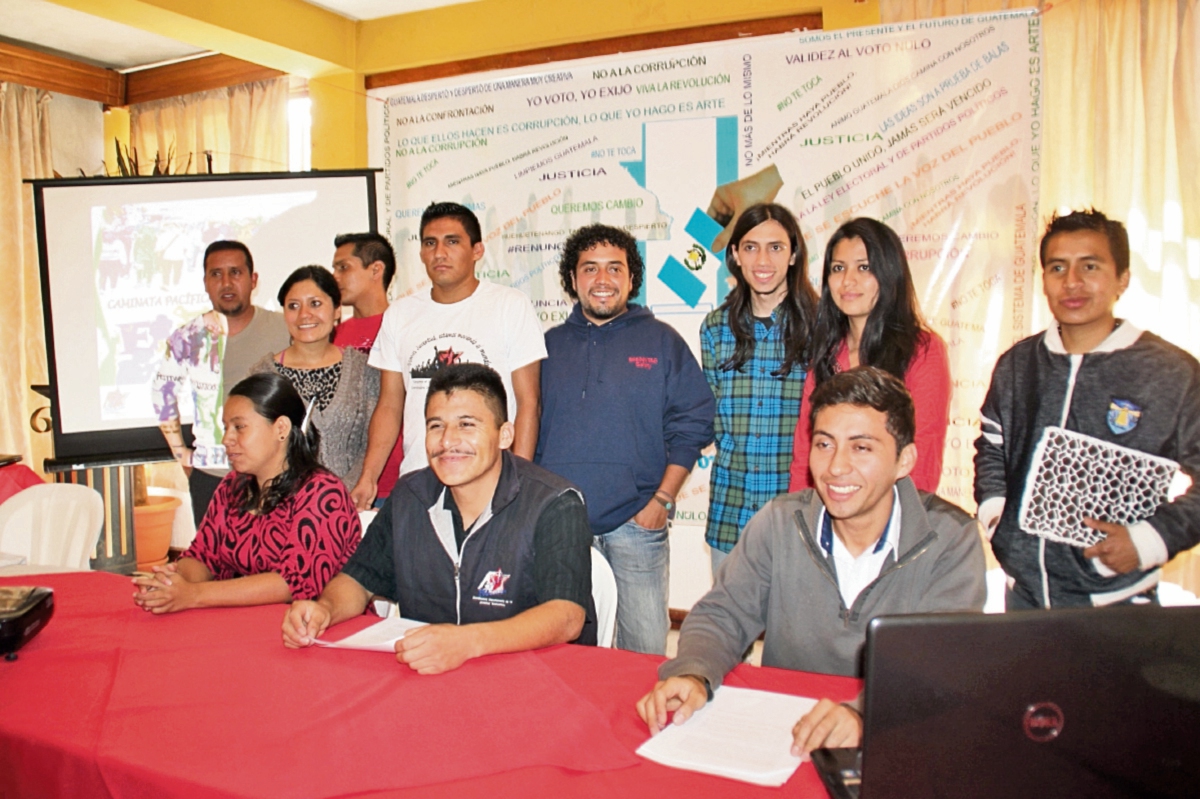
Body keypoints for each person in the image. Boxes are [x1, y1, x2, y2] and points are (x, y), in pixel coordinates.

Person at [637, 367, 986, 757]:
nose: (836, 467)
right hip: (783, 739)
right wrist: (693, 671)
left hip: (896, 738)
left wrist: (862, 717)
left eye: (862, 447)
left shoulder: (951, 539)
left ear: (904, 460)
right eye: (824, 444)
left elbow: (938, 663)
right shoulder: (781, 521)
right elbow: (724, 614)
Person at [283, 364, 595, 673]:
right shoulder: (410, 496)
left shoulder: (554, 503)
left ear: (504, 435)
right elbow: (358, 580)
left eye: (466, 425)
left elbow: (566, 615)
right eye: (436, 426)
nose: (447, 441)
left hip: (536, 679)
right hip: (432, 676)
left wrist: (466, 643)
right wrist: (324, 609)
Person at [975, 209, 1200, 609]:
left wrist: (1149, 541)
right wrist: (996, 516)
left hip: (1118, 602)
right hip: (1023, 597)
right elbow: (993, 444)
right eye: (1057, 267)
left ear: (1122, 279)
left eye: (1089, 266)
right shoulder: (1018, 363)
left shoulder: (1172, 373)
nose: (1072, 282)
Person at [536, 223, 715, 655]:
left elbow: (694, 423)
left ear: (631, 279)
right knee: (564, 651)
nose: (602, 280)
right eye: (590, 269)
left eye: (614, 268)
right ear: (572, 279)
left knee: (643, 653)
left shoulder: (662, 342)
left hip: (637, 526)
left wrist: (661, 502)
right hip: (561, 528)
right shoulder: (546, 347)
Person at [351, 203, 546, 509]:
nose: (439, 253)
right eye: (430, 243)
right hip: (419, 483)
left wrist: (517, 480)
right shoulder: (400, 314)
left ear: (477, 250)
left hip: (490, 483)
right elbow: (389, 405)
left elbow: (529, 403)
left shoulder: (510, 306)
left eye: (452, 242)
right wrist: (368, 477)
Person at [133, 373, 361, 613]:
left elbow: (292, 584)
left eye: (239, 427)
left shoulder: (322, 493)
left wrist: (194, 594)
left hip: (308, 630)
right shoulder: (234, 485)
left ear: (281, 428)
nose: (227, 439)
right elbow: (203, 556)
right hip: (239, 626)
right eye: (226, 427)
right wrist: (172, 583)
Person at [788, 217, 950, 494]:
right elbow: (806, 452)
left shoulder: (922, 351)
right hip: (828, 514)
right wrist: (801, 522)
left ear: (889, 274)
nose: (848, 281)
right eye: (838, 268)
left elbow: (922, 456)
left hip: (892, 521)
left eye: (864, 267)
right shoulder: (826, 354)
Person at [701, 203, 818, 575]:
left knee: (795, 634)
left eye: (776, 247)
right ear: (734, 254)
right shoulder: (716, 327)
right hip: (730, 510)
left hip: (801, 512)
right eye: (751, 247)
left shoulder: (822, 327)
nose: (762, 259)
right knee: (728, 631)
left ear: (794, 253)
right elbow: (709, 415)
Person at [153, 240, 290, 525]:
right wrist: (183, 456)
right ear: (205, 282)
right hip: (212, 477)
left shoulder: (284, 328)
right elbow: (162, 394)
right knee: (214, 568)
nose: (226, 283)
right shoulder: (188, 336)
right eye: (216, 274)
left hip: (275, 476)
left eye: (235, 273)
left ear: (253, 280)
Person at [250, 266, 380, 489]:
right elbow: (257, 447)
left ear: (337, 309)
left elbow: (373, 441)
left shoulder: (364, 370)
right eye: (293, 306)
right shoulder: (263, 374)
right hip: (285, 505)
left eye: (315, 303)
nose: (304, 315)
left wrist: (341, 493)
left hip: (351, 503)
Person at [331, 232, 405, 505]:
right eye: (334, 269)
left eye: (344, 268)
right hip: (344, 481)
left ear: (376, 269)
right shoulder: (330, 335)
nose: (335, 277)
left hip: (400, 481)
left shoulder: (405, 327)